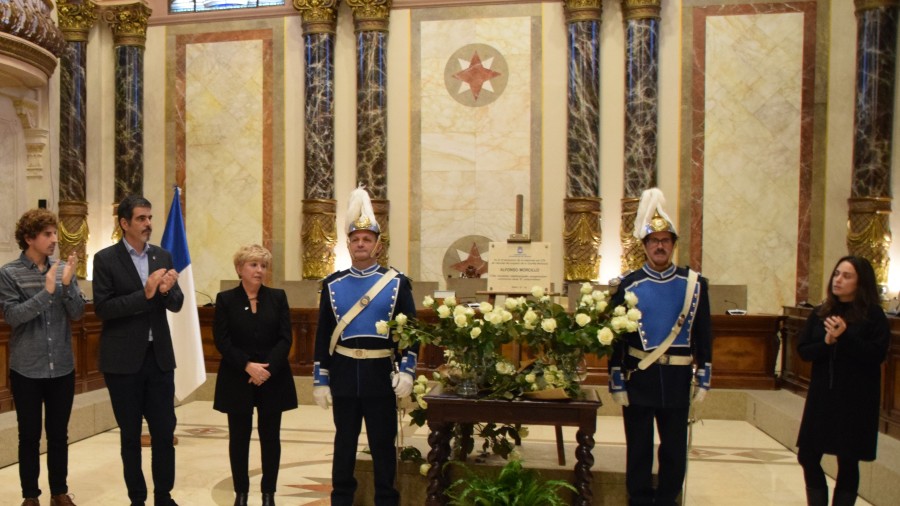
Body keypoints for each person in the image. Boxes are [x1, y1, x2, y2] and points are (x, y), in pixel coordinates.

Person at [312, 186, 418, 506]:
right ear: (349, 244)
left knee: (384, 445)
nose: (361, 244)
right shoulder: (333, 284)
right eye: (356, 239)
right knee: (344, 445)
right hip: (344, 375)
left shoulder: (397, 282)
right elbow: (323, 335)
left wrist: (408, 371)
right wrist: (321, 379)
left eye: (367, 239)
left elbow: (410, 333)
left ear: (377, 245)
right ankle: (341, 499)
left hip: (379, 375)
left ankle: (387, 500)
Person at [608, 188, 713, 506]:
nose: (660, 246)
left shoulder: (693, 284)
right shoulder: (629, 285)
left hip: (678, 380)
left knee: (674, 449)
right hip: (640, 377)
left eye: (666, 240)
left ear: (673, 245)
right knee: (638, 448)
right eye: (654, 241)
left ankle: (668, 499)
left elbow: (703, 332)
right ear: (644, 246)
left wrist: (705, 373)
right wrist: (616, 378)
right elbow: (616, 336)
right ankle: (638, 499)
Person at [92, 195, 184, 506]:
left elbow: (177, 303)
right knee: (130, 435)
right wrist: (144, 294)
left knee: (163, 433)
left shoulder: (163, 256)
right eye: (141, 219)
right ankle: (137, 498)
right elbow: (103, 308)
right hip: (122, 363)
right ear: (124, 223)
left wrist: (169, 290)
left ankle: (164, 495)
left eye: (149, 218)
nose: (148, 224)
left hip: (158, 359)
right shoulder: (105, 259)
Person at [0, 209, 84, 506]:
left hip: (61, 366)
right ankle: (30, 496)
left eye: (54, 234)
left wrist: (66, 284)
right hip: (27, 369)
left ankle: (59, 492)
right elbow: (13, 316)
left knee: (59, 434)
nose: (53, 240)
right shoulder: (9, 273)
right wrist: (48, 291)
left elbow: (76, 313)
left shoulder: (62, 270)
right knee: (29, 436)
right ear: (29, 238)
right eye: (47, 235)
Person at [796, 256, 889, 506]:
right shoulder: (821, 312)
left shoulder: (873, 316)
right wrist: (826, 343)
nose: (838, 280)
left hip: (856, 399)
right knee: (808, 455)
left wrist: (845, 336)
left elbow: (876, 354)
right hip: (822, 396)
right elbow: (804, 350)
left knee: (848, 460)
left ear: (861, 283)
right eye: (837, 273)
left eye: (847, 276)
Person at [213, 244, 297, 506]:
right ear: (240, 269)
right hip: (237, 377)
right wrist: (248, 366)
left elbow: (285, 339)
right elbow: (222, 341)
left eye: (263, 265)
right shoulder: (225, 300)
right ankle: (241, 492)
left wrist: (266, 369)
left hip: (273, 378)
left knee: (270, 438)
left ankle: (268, 493)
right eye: (253, 265)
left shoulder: (278, 297)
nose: (259, 270)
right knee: (238, 438)